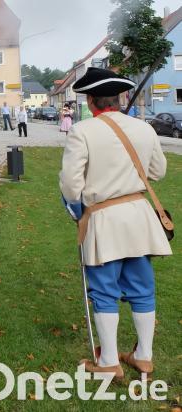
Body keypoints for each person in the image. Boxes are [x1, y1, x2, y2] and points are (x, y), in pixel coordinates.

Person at [60, 67, 172, 380]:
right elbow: (158, 172)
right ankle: (144, 356)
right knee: (142, 288)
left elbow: (70, 185)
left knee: (105, 289)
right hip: (138, 216)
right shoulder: (144, 128)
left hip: (104, 219)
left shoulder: (82, 131)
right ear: (119, 98)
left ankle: (109, 360)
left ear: (92, 101)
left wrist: (76, 203)